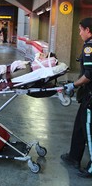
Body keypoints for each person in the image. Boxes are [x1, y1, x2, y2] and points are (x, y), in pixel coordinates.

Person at [62, 17, 92, 178]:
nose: (79, 33)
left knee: (89, 131)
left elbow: (89, 75)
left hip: (91, 96)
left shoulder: (89, 47)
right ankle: (73, 157)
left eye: (81, 30)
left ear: (88, 30)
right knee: (80, 127)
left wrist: (74, 85)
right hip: (87, 95)